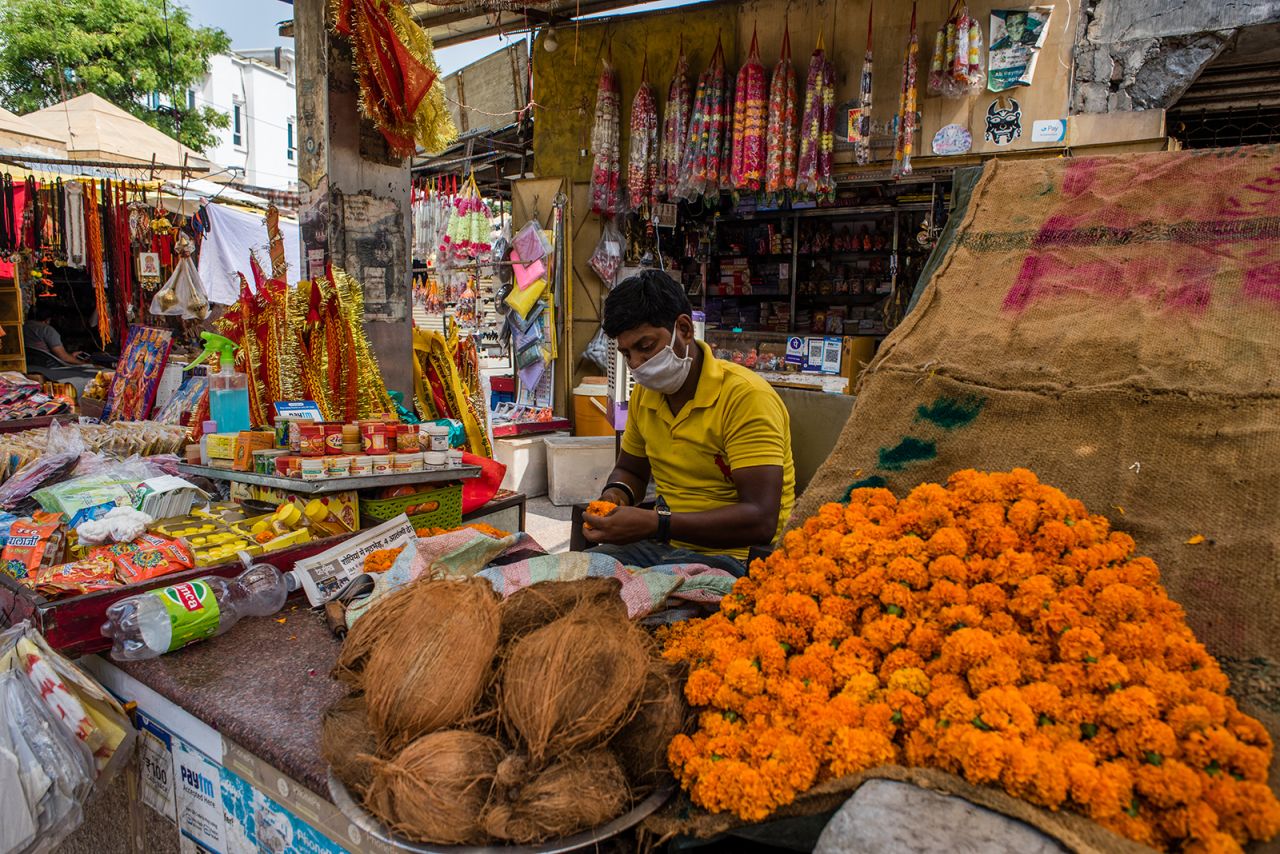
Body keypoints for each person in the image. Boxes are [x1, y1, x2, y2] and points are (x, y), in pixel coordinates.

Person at [582, 269, 795, 577]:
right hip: (661, 545)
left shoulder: (746, 398)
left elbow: (760, 520)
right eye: (627, 354)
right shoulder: (645, 394)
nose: (637, 365)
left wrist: (657, 524)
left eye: (646, 346)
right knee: (574, 580)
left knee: (631, 603)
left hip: (733, 559)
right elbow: (631, 471)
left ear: (683, 329)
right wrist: (615, 496)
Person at [23, 302, 90, 365]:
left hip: (30, 364)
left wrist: (70, 356)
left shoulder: (24, 327)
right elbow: (64, 357)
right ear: (48, 319)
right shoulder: (47, 330)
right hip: (48, 367)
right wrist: (84, 364)